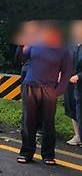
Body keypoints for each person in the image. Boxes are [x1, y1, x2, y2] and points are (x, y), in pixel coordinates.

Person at [18, 23, 73, 165]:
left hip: (49, 89)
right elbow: (20, 58)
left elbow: (67, 73)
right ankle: (26, 153)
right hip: (30, 86)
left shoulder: (64, 50)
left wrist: (58, 91)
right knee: (28, 121)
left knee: (48, 123)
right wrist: (21, 47)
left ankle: (48, 155)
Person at [65, 21, 82, 146]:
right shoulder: (71, 45)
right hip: (70, 82)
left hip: (79, 82)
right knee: (72, 108)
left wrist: (79, 76)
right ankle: (77, 136)